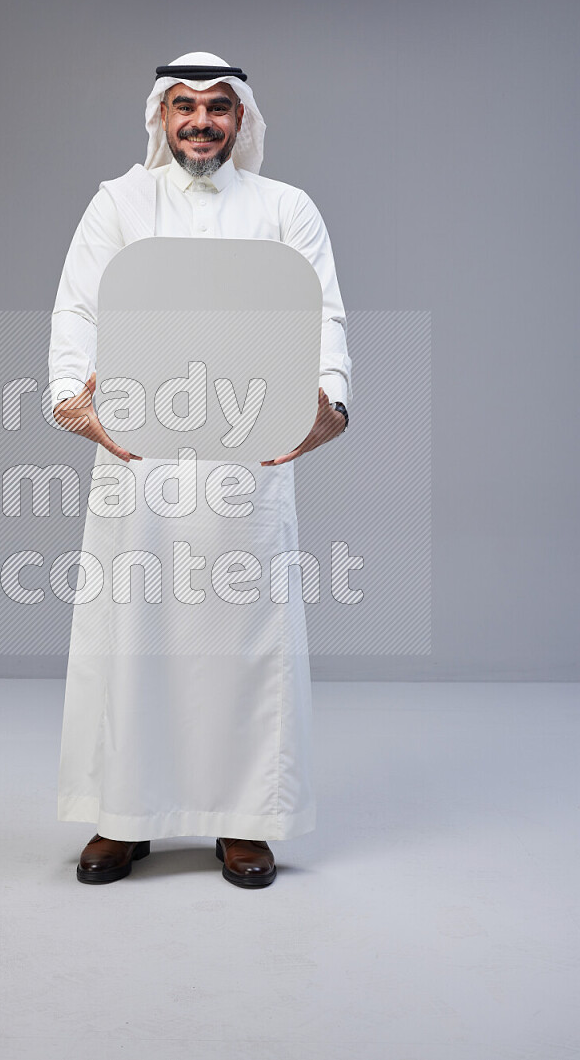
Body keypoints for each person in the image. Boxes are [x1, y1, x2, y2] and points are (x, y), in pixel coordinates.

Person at [48, 51, 352, 888]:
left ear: (243, 119)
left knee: (243, 644)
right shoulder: (119, 202)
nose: (200, 121)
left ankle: (244, 821)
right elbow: (78, 305)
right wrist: (78, 403)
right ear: (160, 115)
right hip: (139, 460)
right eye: (184, 105)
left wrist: (328, 401)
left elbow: (322, 311)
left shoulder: (287, 208)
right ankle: (124, 816)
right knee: (132, 639)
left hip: (246, 463)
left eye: (219, 107)